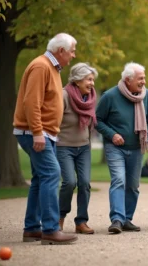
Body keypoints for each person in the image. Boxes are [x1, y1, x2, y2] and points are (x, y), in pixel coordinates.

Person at [13, 33, 78, 245]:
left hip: (44, 133)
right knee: (52, 173)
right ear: (61, 51)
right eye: (72, 51)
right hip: (34, 133)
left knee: (41, 178)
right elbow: (31, 102)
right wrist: (38, 131)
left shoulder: (52, 68)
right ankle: (50, 230)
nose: (73, 56)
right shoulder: (41, 66)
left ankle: (32, 228)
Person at [95, 62, 148, 234]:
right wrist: (112, 134)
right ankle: (116, 219)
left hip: (137, 147)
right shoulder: (110, 96)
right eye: (141, 78)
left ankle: (126, 219)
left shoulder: (146, 95)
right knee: (119, 180)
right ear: (128, 80)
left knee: (132, 185)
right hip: (115, 147)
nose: (144, 82)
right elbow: (98, 120)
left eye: (144, 78)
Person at [57, 63, 98, 235]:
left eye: (92, 80)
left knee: (84, 183)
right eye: (89, 79)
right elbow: (53, 121)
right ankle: (58, 218)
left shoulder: (89, 98)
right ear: (78, 80)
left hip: (83, 148)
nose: (92, 83)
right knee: (69, 183)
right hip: (64, 147)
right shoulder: (64, 96)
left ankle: (81, 222)